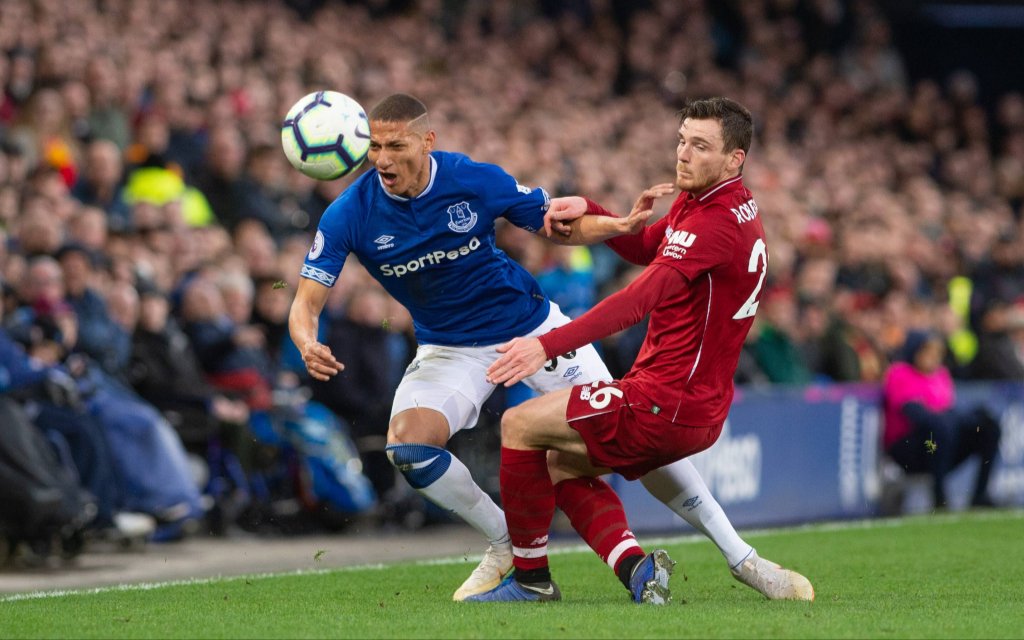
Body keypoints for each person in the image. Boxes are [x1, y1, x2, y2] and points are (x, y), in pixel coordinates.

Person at [290, 93, 809, 603]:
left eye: (395, 145)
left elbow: (562, 232)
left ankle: (734, 557)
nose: (383, 159)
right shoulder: (349, 213)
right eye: (375, 147)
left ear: (427, 142)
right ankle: (512, 546)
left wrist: (548, 340)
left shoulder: (472, 178)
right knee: (410, 447)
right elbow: (305, 299)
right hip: (448, 348)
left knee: (622, 443)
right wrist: (307, 338)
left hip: (532, 327)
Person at [469, 97, 814, 603]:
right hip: (691, 403)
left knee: (518, 426)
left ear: (734, 158)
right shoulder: (713, 201)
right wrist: (601, 213)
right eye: (682, 140)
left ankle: (530, 582)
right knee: (562, 464)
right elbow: (648, 245)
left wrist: (546, 344)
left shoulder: (712, 223)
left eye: (700, 145)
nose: (683, 153)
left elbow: (636, 301)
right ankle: (647, 572)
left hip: (663, 400)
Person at [882, 330, 1001, 509]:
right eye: (928, 351)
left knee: (988, 427)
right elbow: (916, 414)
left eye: (938, 353)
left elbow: (948, 412)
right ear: (915, 351)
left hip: (941, 446)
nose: (934, 357)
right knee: (939, 426)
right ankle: (939, 497)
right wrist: (950, 419)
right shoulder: (900, 373)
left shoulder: (941, 375)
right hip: (910, 448)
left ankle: (980, 494)